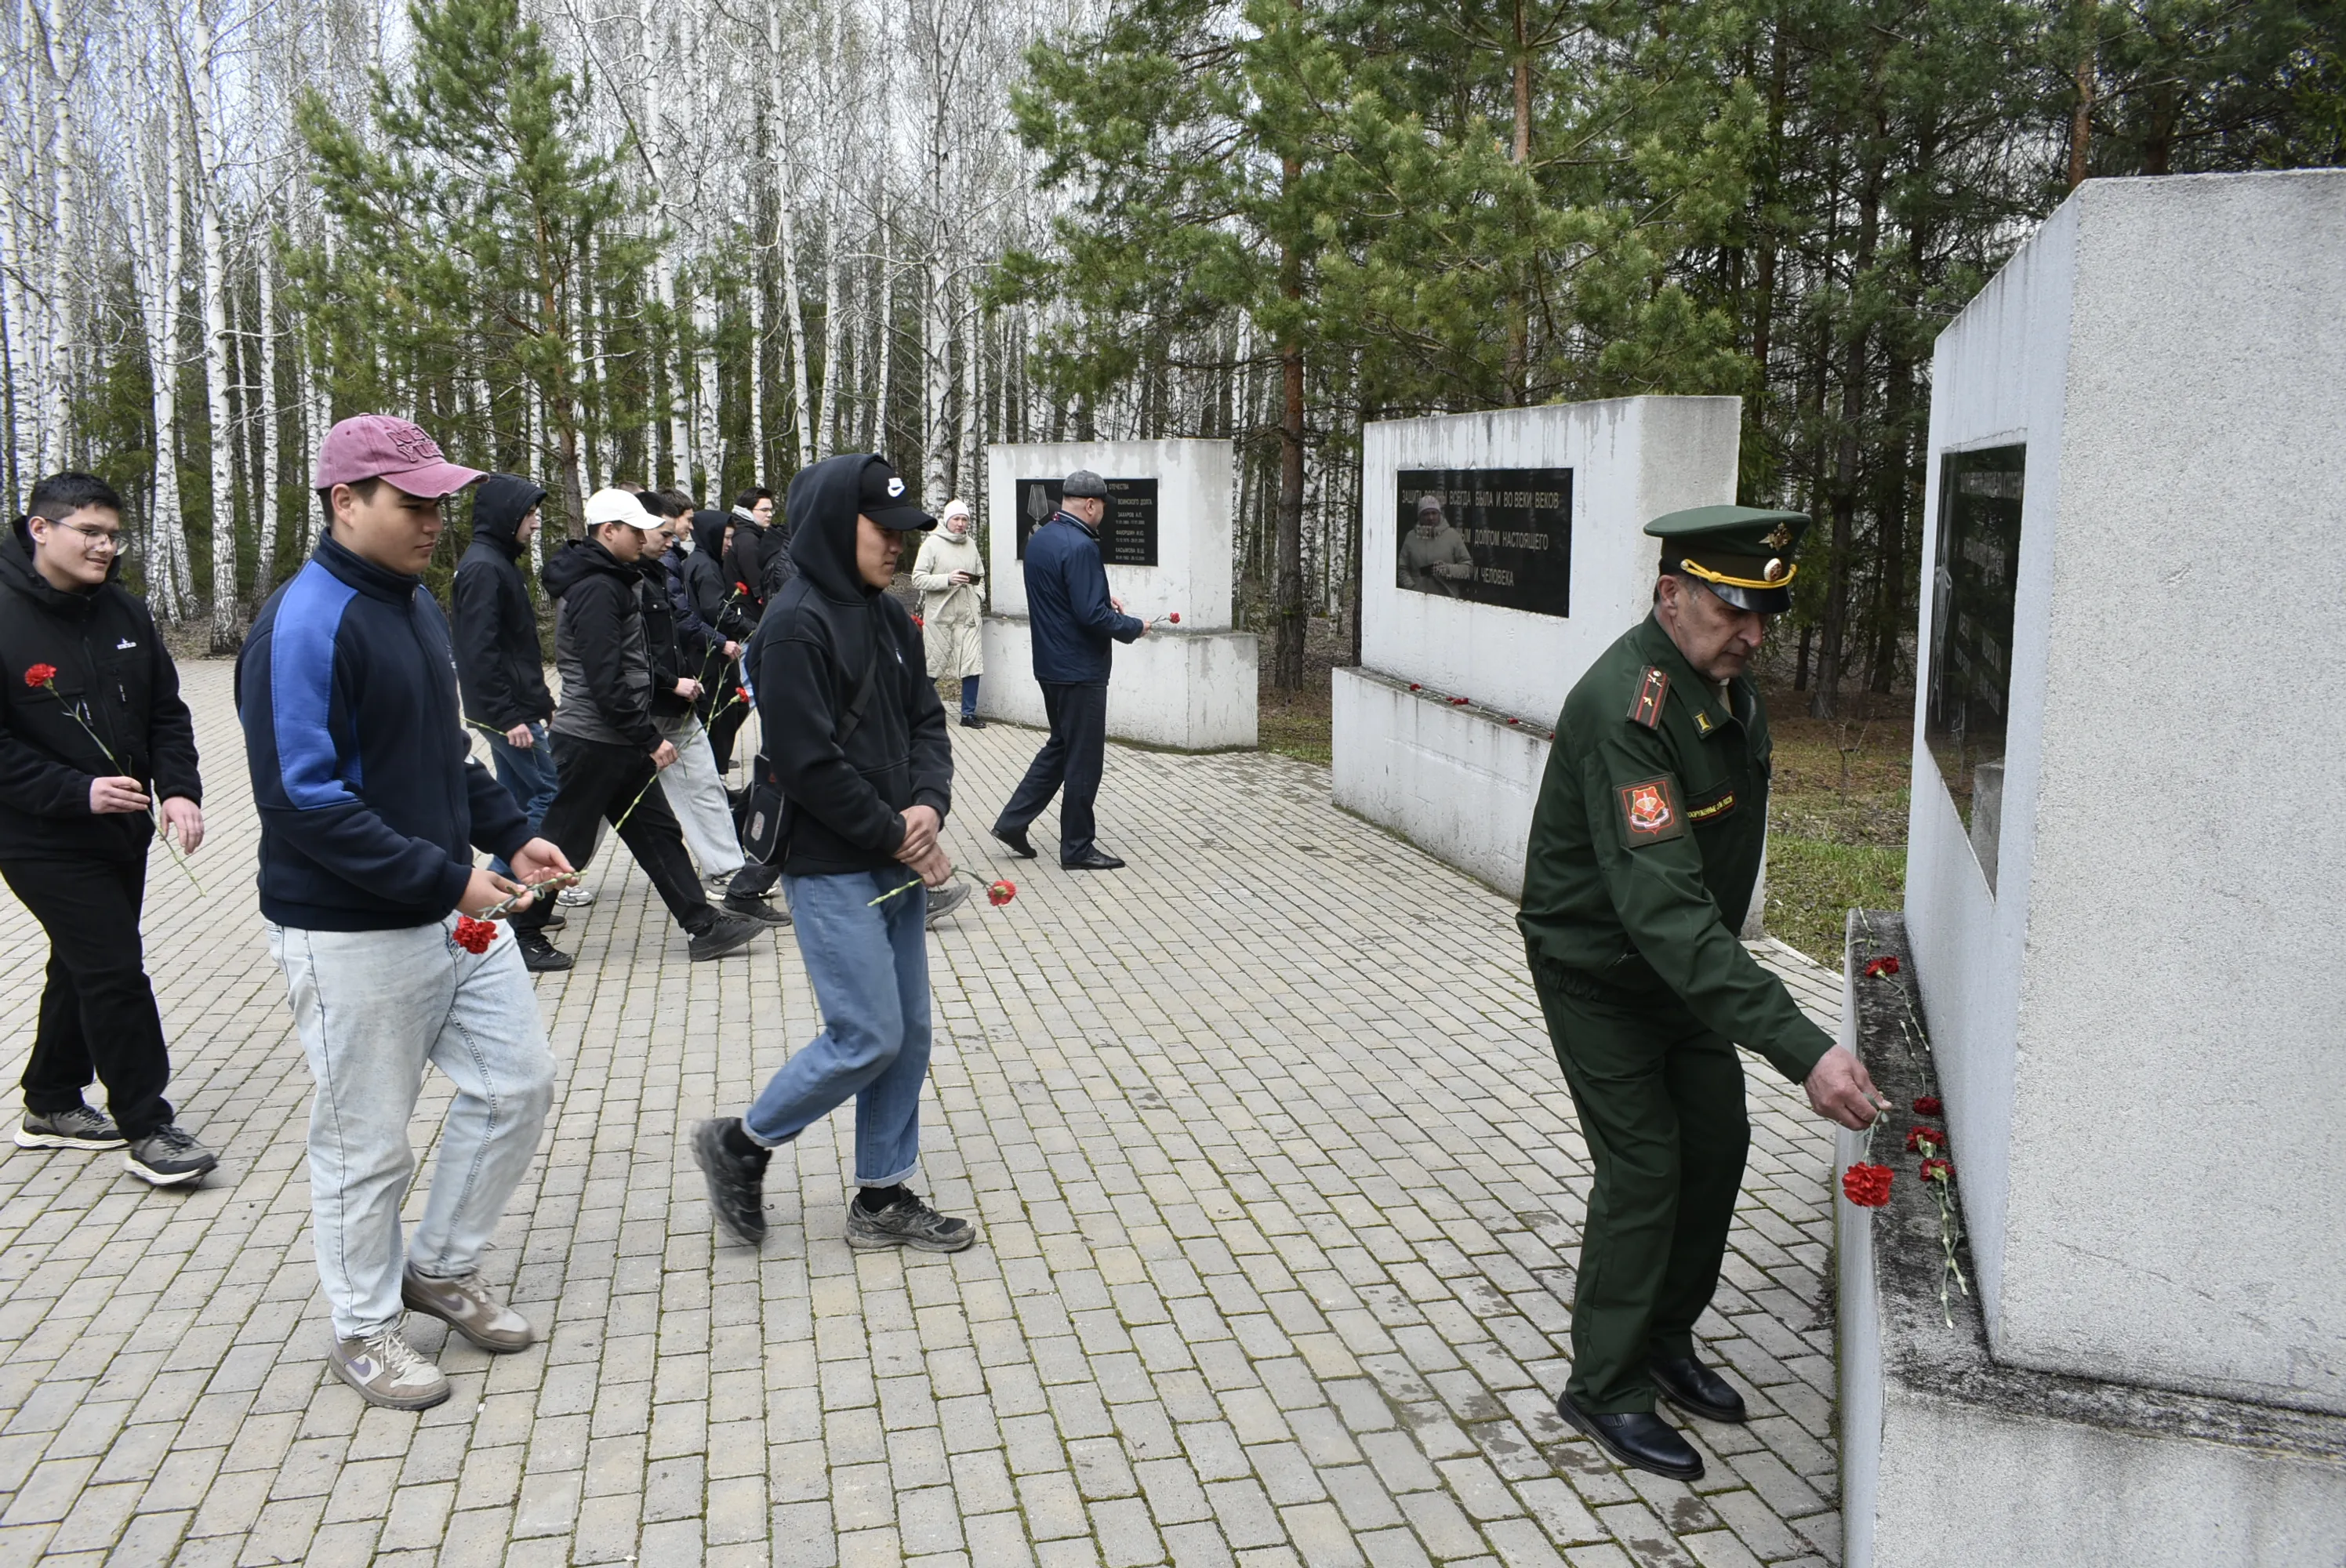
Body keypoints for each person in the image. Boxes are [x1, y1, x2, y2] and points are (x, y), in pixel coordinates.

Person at [1517, 504, 1885, 1481]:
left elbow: (1697, 908)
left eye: (1767, 612)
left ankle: (1663, 1337)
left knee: (1716, 1144)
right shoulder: (1624, 708)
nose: (1756, 634)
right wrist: (1803, 1045)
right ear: (1670, 595)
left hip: (1684, 977)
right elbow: (1665, 910)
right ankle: (1603, 1383)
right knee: (1644, 1169)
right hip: (1600, 976)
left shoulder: (1727, 685)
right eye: (1735, 611)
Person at [238, 414, 572, 1410]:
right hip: (349, 929)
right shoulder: (301, 622)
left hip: (448, 907)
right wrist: (446, 877)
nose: (434, 517)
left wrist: (508, 831)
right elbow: (302, 800)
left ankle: (441, 1265)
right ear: (345, 501)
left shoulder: (415, 606)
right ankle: (365, 1328)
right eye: (411, 500)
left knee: (517, 1084)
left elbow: (443, 752)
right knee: (366, 1142)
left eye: (439, 499)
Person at [692, 453, 975, 1254]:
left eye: (903, 530)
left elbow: (926, 720)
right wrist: (898, 833)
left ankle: (881, 1195)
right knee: (866, 1034)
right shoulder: (792, 626)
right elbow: (807, 763)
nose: (897, 543)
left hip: (893, 852)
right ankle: (742, 1144)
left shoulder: (886, 614)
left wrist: (927, 805)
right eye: (883, 529)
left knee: (908, 1033)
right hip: (831, 864)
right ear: (830, 526)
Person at [0, 471, 217, 1185]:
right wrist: (77, 789)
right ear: (40, 529)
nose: (104, 547)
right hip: (36, 832)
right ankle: (148, 1126)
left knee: (84, 960)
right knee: (115, 969)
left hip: (121, 829)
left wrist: (179, 791)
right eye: (89, 532)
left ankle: (52, 1100)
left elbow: (166, 713)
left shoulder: (124, 612)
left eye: (113, 534)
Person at [512, 489, 767, 967]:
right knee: (565, 840)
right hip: (591, 738)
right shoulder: (595, 587)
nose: (645, 538)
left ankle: (704, 926)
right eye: (635, 530)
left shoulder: (612, 577)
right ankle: (521, 932)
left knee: (657, 832)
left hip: (614, 736)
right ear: (609, 531)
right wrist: (648, 737)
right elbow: (602, 675)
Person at [991, 470, 1143, 869]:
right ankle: (1076, 847)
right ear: (1091, 505)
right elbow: (1093, 615)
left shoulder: (1042, 538)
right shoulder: (1081, 546)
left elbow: (1061, 594)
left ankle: (1012, 821)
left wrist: (1097, 594)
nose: (1103, 515)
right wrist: (1134, 627)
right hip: (1080, 671)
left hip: (1050, 664)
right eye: (1103, 508)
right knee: (1084, 759)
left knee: (1061, 746)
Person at [636, 491, 767, 907]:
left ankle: (727, 873)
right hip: (632, 711)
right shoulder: (616, 581)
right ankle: (529, 893)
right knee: (587, 805)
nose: (680, 534)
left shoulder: (662, 569)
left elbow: (677, 623)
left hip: (670, 703)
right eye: (675, 525)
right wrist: (672, 680)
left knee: (704, 783)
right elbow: (617, 653)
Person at [451, 474, 557, 880]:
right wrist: (508, 716)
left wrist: (541, 702)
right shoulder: (482, 568)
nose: (535, 522)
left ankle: (511, 905)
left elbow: (516, 649)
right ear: (506, 516)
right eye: (529, 514)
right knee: (548, 792)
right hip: (506, 713)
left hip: (514, 706)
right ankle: (502, 887)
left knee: (515, 799)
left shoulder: (497, 563)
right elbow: (478, 653)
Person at [670, 507, 752, 773]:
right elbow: (716, 610)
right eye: (726, 538)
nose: (729, 545)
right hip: (710, 655)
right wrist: (752, 627)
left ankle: (716, 775)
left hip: (708, 649)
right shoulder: (705, 566)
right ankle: (715, 775)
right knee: (720, 718)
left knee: (729, 713)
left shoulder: (702, 561)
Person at [910, 499, 985, 727]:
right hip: (941, 617)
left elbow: (980, 576)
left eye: (964, 519)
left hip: (968, 616)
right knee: (933, 665)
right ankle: (914, 712)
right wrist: (948, 579)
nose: (961, 524)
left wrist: (979, 596)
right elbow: (917, 578)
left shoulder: (971, 544)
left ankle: (968, 714)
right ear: (947, 520)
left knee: (973, 665)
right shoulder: (932, 544)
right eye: (957, 519)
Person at [723, 486, 786, 628]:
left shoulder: (744, 534)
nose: (769, 515)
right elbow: (760, 586)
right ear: (747, 511)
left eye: (771, 510)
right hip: (749, 619)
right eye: (764, 510)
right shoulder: (748, 540)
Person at [1399, 494, 1476, 597]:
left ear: (1440, 514)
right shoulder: (1411, 537)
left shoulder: (1452, 536)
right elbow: (1402, 568)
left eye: (1434, 513)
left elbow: (1468, 568)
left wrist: (1448, 570)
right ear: (1420, 516)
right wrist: (1412, 588)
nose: (1431, 518)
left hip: (1446, 600)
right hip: (1417, 601)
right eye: (1426, 514)